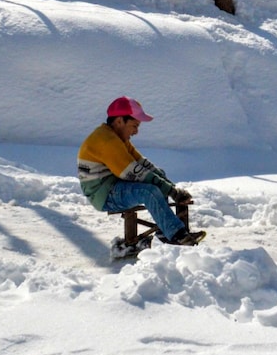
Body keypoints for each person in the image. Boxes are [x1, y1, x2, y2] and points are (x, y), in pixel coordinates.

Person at [77, 96, 205, 246]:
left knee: (158, 175)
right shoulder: (107, 141)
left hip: (115, 184)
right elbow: (134, 172)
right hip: (103, 194)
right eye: (134, 126)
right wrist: (172, 192)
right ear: (119, 121)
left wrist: (172, 188)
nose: (136, 132)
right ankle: (176, 235)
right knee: (148, 191)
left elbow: (142, 164)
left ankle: (166, 232)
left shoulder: (117, 138)